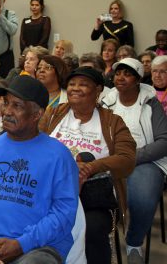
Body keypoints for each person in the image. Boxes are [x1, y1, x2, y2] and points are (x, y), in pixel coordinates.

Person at [0, 75, 79, 264]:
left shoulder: (58, 156)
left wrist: (21, 244)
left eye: (17, 106)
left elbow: (63, 213)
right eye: (6, 103)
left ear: (37, 114)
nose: (7, 111)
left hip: (37, 247)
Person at [39, 66, 136, 264]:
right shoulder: (53, 113)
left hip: (94, 198)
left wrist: (92, 167)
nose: (75, 88)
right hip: (50, 191)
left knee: (91, 230)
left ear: (98, 90)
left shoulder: (112, 122)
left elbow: (127, 160)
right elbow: (34, 144)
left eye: (83, 85)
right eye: (72, 84)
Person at [100, 58, 167, 263]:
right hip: (110, 160)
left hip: (145, 160)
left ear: (138, 80)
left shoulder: (150, 102)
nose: (121, 77)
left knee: (144, 198)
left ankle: (134, 242)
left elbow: (163, 141)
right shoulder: (106, 101)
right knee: (94, 191)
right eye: (118, 73)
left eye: (127, 74)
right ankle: (105, 237)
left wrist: (130, 158)